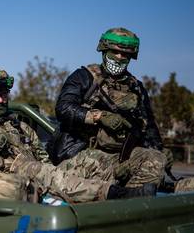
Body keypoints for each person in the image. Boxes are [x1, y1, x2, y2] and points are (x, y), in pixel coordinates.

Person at [0, 68, 155, 203]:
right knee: (40, 171)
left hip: (41, 173)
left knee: (91, 159)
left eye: (4, 95)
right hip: (6, 180)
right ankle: (115, 194)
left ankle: (133, 185)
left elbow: (44, 159)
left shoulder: (17, 124)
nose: (0, 100)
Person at [50, 27, 171, 190]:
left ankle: (132, 203)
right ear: (104, 50)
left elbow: (148, 125)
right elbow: (63, 108)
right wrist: (98, 116)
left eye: (125, 54)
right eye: (115, 52)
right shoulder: (84, 77)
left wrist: (160, 150)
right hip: (81, 154)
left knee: (155, 159)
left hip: (121, 156)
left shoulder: (136, 87)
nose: (120, 57)